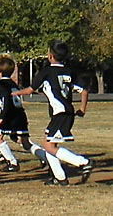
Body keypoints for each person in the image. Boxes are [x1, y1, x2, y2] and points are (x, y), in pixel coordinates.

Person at [12, 40, 94, 185]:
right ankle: (60, 178)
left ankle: (83, 162)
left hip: (60, 113)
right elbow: (84, 90)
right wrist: (82, 109)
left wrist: (14, 93)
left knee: (50, 146)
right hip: (65, 113)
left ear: (50, 56)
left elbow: (30, 89)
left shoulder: (46, 72)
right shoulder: (69, 72)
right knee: (47, 143)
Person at [0, 55, 46, 175]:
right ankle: (46, 159)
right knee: (22, 142)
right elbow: (10, 101)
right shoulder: (12, 83)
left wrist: (0, 117)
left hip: (8, 117)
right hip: (20, 115)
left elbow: (5, 101)